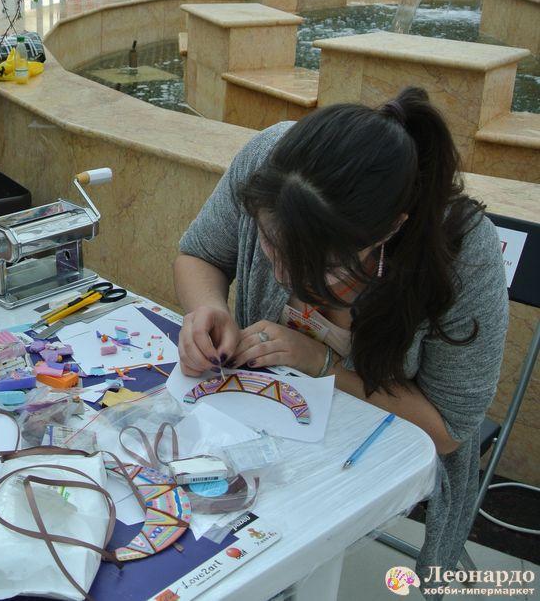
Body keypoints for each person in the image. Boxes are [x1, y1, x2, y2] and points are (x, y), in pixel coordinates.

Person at [174, 87, 507, 579]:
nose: (283, 276)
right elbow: (200, 254)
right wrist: (208, 308)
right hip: (258, 437)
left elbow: (448, 431)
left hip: (370, 453)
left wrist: (319, 362)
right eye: (269, 243)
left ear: (388, 231)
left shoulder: (463, 254)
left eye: (318, 266)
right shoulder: (271, 164)